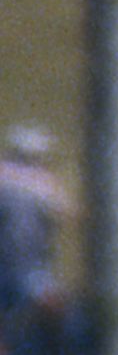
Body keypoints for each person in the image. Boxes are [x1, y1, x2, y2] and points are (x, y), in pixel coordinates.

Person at [0, 124, 65, 318]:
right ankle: (54, 347)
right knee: (52, 309)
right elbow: (62, 212)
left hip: (7, 259)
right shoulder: (42, 183)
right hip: (30, 261)